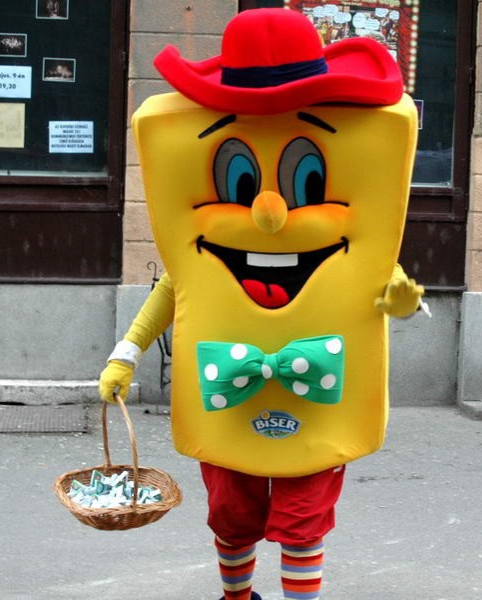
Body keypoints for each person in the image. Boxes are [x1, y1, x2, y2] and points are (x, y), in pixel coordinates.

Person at [98, 9, 423, 600]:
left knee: (303, 525)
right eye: (239, 181)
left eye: (307, 181)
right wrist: (126, 352)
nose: (269, 213)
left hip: (320, 406)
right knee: (231, 518)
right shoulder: (201, 250)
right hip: (226, 402)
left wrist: (400, 299)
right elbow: (174, 287)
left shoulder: (363, 250)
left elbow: (384, 282)